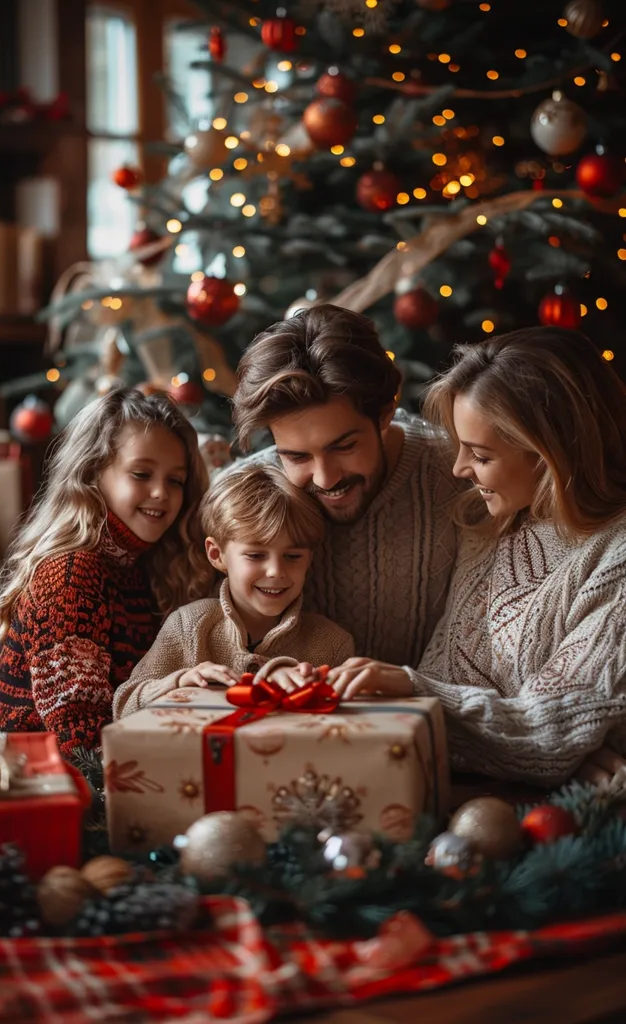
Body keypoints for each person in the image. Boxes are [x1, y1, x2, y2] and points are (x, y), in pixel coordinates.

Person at [329, 326, 626, 786]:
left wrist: (558, 748)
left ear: (549, 455)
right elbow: (453, 682)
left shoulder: (615, 558)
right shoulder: (492, 521)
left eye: (480, 455)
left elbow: (556, 733)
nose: (458, 468)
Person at [231, 303, 461, 679]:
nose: (323, 478)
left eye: (343, 447)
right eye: (296, 456)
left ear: (385, 413)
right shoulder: (244, 495)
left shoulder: (459, 474)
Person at [0, 388, 214, 757]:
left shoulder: (140, 569)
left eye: (176, 481)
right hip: (30, 782)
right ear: (92, 474)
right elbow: (79, 743)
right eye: (141, 473)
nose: (161, 492)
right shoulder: (70, 573)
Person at [113, 462, 355, 717]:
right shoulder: (188, 626)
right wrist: (179, 683)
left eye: (293, 556)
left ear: (310, 559)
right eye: (255, 555)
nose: (275, 571)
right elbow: (123, 707)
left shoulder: (333, 644)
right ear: (217, 555)